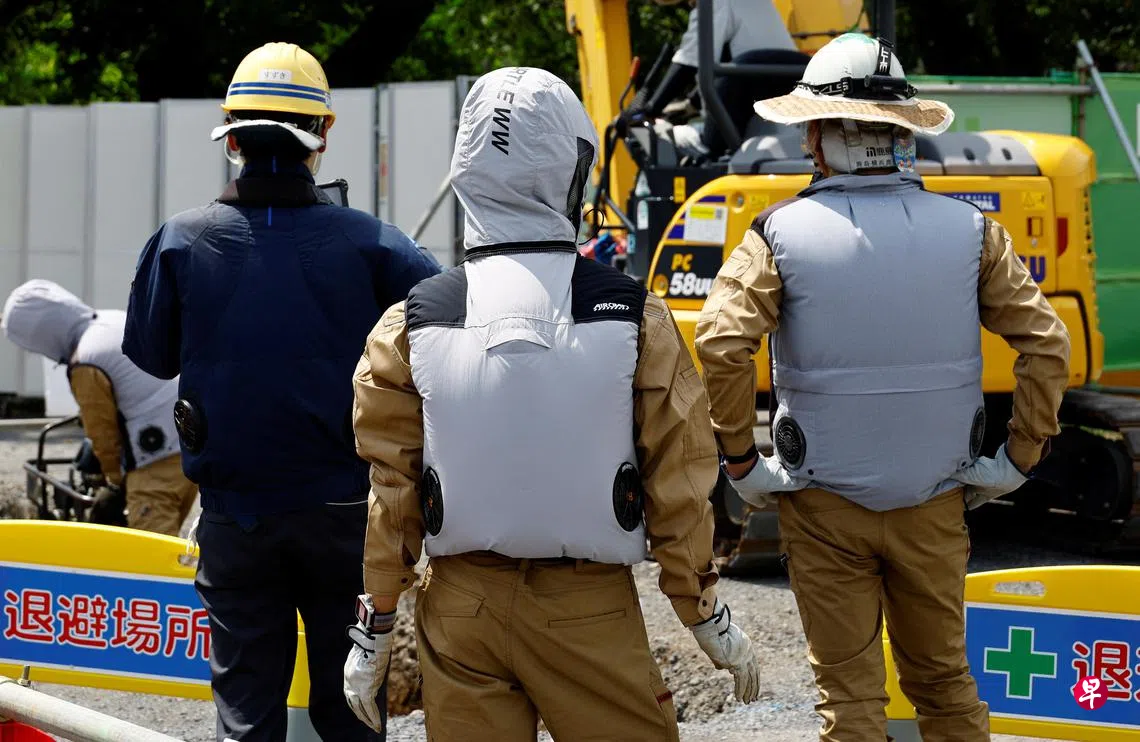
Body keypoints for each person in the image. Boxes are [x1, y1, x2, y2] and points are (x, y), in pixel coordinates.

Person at [342, 66, 761, 741]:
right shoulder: (632, 317)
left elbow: (391, 493)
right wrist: (702, 609)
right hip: (586, 606)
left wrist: (377, 627)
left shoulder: (411, 323)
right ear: (575, 167)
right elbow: (679, 480)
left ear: (467, 166)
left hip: (462, 607)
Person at [693, 33, 1071, 742]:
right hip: (935, 501)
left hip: (823, 504)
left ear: (819, 134)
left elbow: (719, 343)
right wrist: (1019, 459)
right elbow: (1047, 343)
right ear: (902, 132)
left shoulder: (777, 234)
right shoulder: (973, 231)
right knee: (946, 687)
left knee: (851, 700)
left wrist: (743, 464)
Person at [121, 41, 440, 742]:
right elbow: (450, 336)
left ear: (230, 135)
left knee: (247, 713)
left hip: (237, 519)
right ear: (323, 134)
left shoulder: (178, 243)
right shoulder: (377, 246)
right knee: (352, 711)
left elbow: (151, 353)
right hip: (346, 518)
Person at [2, 279, 196, 535]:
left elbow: (102, 434)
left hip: (154, 460)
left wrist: (114, 481)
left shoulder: (85, 361)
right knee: (174, 548)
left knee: (151, 555)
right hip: (189, 444)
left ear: (40, 336)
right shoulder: (112, 321)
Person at [644, 0, 806, 160]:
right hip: (782, 101)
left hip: (753, 100)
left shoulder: (712, 4)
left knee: (665, 139)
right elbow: (729, 59)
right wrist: (690, 104)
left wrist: (646, 110)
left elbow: (688, 62)